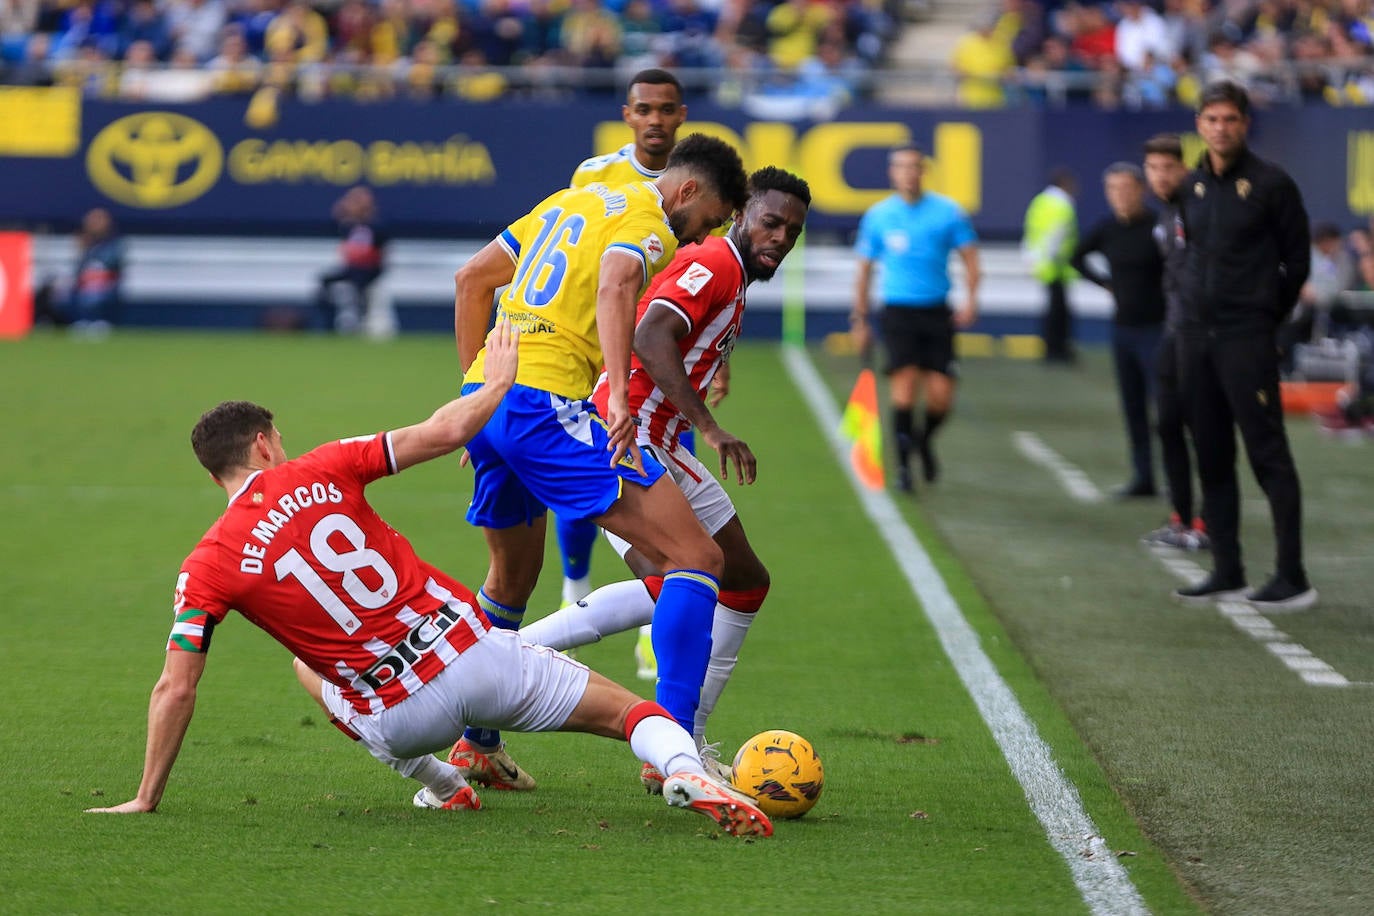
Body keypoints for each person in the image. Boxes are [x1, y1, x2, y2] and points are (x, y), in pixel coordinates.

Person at [83, 323, 772, 837]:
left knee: (306, 667)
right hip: (473, 655)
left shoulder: (205, 565)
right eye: (278, 439)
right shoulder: (323, 465)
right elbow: (441, 432)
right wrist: (498, 387)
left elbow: (177, 687)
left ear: (215, 473)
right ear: (264, 444)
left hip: (399, 717)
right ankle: (685, 769)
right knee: (630, 713)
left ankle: (443, 783)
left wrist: (147, 795)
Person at [447, 133, 749, 791]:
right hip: (545, 405)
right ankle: (675, 751)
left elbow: (471, 279)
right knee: (698, 558)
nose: (704, 235)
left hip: (492, 403)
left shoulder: (568, 201)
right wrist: (615, 399)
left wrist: (474, 402)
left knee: (510, 580)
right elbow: (616, 284)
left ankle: (476, 744)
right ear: (687, 190)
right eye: (712, 219)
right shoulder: (650, 220)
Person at [518, 167, 811, 789]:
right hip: (630, 436)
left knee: (738, 582)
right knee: (687, 577)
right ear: (740, 214)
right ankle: (674, 744)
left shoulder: (728, 269)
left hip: (659, 438)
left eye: (792, 230)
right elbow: (653, 334)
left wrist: (712, 366)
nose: (781, 238)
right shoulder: (717, 262)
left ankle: (682, 739)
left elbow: (670, 319)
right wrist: (711, 427)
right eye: (771, 222)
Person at [1171, 80, 1316, 611]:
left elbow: (1297, 263)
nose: (1221, 128)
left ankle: (1292, 576)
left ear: (1245, 124)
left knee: (1267, 454)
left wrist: (1263, 316)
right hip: (1197, 338)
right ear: (1199, 125)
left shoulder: (1273, 184)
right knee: (1210, 453)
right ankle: (1227, 569)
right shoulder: (1190, 186)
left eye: (1230, 119)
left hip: (1246, 337)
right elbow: (1187, 252)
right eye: (1211, 119)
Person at [556, 67, 689, 641]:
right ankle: (575, 586)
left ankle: (652, 623)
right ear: (628, 115)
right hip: (599, 351)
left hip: (665, 356)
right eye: (645, 109)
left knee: (671, 482)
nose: (655, 119)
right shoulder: (594, 174)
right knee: (587, 478)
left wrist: (718, 355)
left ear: (681, 115)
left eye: (666, 109)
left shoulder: (695, 180)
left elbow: (700, 272)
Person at [850, 144, 981, 494]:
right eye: (902, 167)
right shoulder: (879, 215)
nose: (908, 173)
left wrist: (971, 299)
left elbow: (970, 258)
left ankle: (923, 440)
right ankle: (904, 467)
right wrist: (859, 319)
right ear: (892, 173)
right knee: (904, 388)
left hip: (936, 311)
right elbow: (864, 270)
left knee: (941, 395)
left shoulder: (948, 212)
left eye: (914, 166)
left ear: (923, 171)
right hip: (897, 311)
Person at [1071, 162, 1167, 499]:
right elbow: (1076, 258)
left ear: (1141, 190)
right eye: (1113, 189)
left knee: (1166, 409)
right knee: (1133, 407)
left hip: (1158, 330)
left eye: (1126, 188)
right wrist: (1105, 283)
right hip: (1123, 331)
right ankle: (1143, 477)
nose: (1120, 195)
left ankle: (1175, 478)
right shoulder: (1107, 228)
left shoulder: (1158, 226)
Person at [1139, 132, 1210, 551]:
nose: (1161, 176)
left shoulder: (1195, 207)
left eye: (1168, 167)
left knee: (1205, 429)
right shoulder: (1165, 213)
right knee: (1167, 424)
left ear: (1183, 169)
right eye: (1153, 168)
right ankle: (1181, 517)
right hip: (1174, 330)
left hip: (1201, 333)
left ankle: (1207, 522)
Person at [1023, 170, 1080, 364]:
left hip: (1043, 263)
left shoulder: (1040, 201)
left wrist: (1031, 258)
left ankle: (1052, 348)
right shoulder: (1062, 205)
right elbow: (1057, 234)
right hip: (1056, 265)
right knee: (1058, 311)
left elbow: (1032, 230)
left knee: (1053, 309)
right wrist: (1051, 256)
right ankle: (1058, 350)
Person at [315, 185, 386, 334]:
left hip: (369, 270)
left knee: (359, 286)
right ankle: (330, 324)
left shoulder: (376, 227)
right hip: (351, 269)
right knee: (325, 282)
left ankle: (361, 323)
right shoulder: (348, 226)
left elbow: (381, 255)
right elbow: (343, 242)